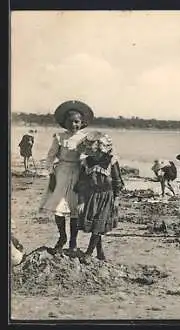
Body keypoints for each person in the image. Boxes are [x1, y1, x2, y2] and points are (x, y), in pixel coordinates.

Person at [39, 100, 94, 253]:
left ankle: (73, 240)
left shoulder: (85, 138)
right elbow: (50, 157)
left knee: (74, 209)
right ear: (64, 122)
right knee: (59, 207)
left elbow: (87, 158)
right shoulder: (59, 137)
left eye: (77, 122)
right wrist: (51, 175)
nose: (73, 125)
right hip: (61, 172)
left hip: (78, 173)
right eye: (70, 122)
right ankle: (62, 236)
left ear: (82, 123)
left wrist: (87, 176)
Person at [74, 131, 124, 264]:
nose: (96, 154)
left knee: (99, 224)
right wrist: (81, 201)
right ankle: (100, 253)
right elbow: (82, 183)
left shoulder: (111, 161)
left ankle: (89, 253)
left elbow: (117, 181)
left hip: (107, 196)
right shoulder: (86, 162)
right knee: (95, 223)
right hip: (92, 196)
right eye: (93, 152)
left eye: (99, 152)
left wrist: (117, 198)